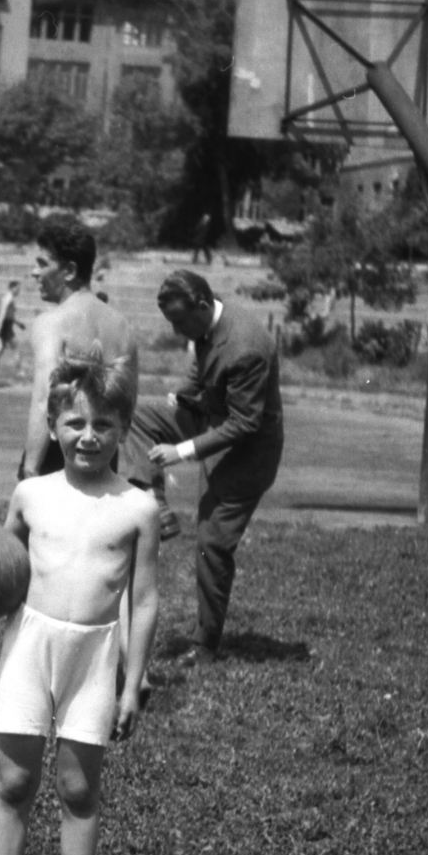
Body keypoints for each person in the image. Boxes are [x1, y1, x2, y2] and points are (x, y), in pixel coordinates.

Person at [0, 353, 160, 855]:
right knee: (15, 779)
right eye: (75, 422)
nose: (89, 435)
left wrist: (133, 683)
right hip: (30, 646)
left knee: (79, 789)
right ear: (53, 426)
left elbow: (146, 599)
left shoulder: (138, 507)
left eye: (104, 423)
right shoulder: (30, 495)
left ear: (122, 430)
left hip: (95, 655)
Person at [121, 269, 283, 666]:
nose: (177, 331)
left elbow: (245, 424)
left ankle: (206, 643)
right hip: (212, 420)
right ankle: (154, 502)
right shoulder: (207, 328)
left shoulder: (246, 344)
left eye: (180, 322)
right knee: (139, 415)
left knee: (212, 543)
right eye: (171, 323)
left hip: (247, 451)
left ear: (203, 305)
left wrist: (181, 451)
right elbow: (201, 373)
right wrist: (182, 396)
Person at [21, 216, 138, 479]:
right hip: (105, 454)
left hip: (59, 452)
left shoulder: (52, 322)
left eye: (42, 263)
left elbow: (44, 398)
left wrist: (30, 469)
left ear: (70, 271)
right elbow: (129, 405)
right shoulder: (122, 327)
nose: (34, 272)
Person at [0, 280, 24, 377]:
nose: (19, 291)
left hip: (6, 325)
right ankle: (20, 372)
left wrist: (18, 323)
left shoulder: (8, 298)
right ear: (12, 288)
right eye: (17, 288)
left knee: (0, 348)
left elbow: (9, 315)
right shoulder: (8, 298)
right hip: (5, 326)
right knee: (14, 348)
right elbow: (2, 313)